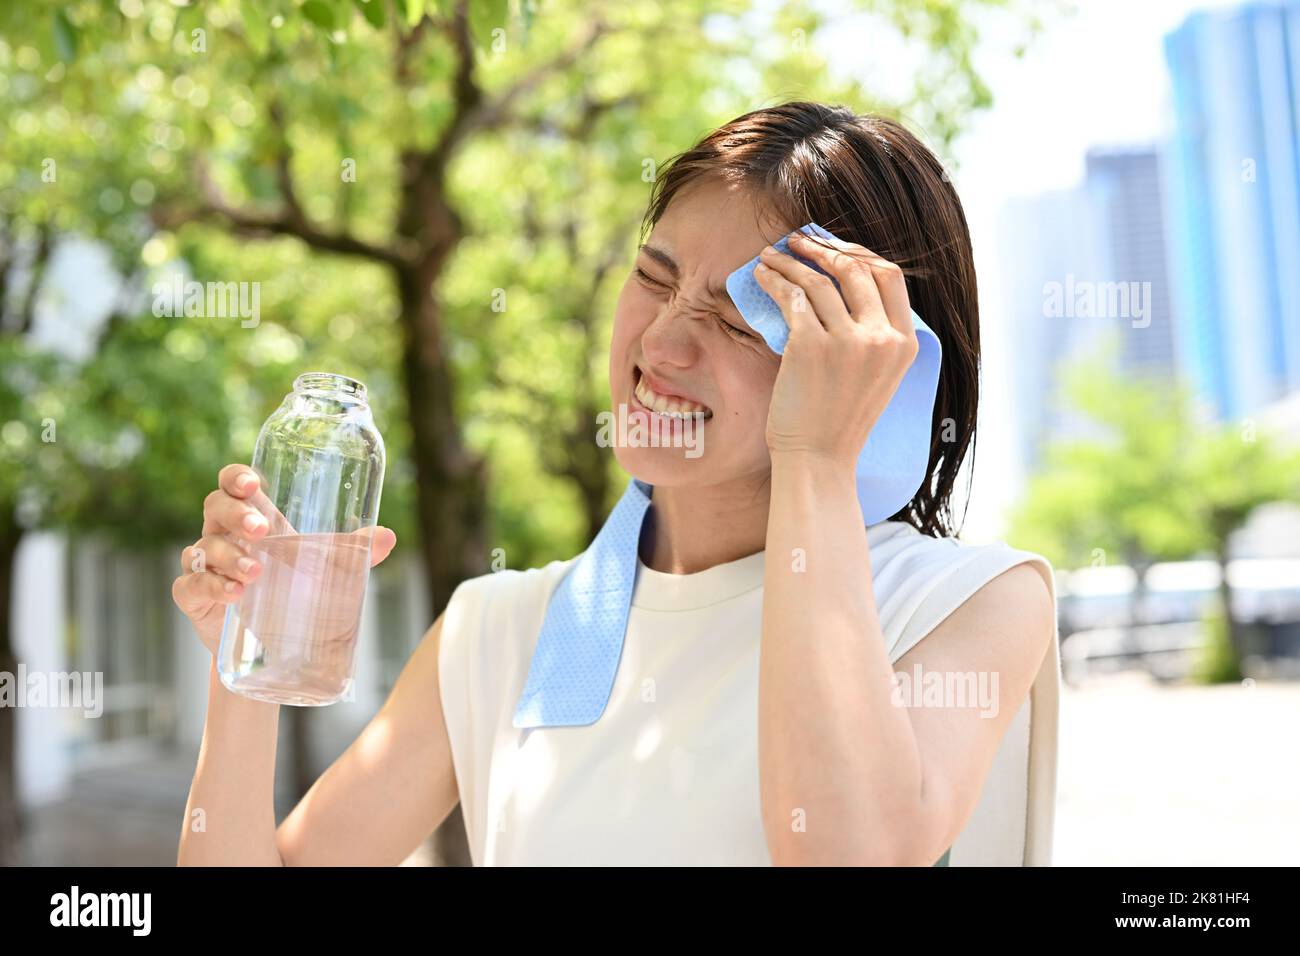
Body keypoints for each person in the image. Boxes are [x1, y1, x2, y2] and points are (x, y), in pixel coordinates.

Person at [172, 101, 1059, 867]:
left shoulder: (967, 606)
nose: (662, 347)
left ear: (878, 363)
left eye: (741, 320)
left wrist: (818, 461)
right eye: (652, 279)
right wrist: (242, 650)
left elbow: (845, 853)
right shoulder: (496, 632)